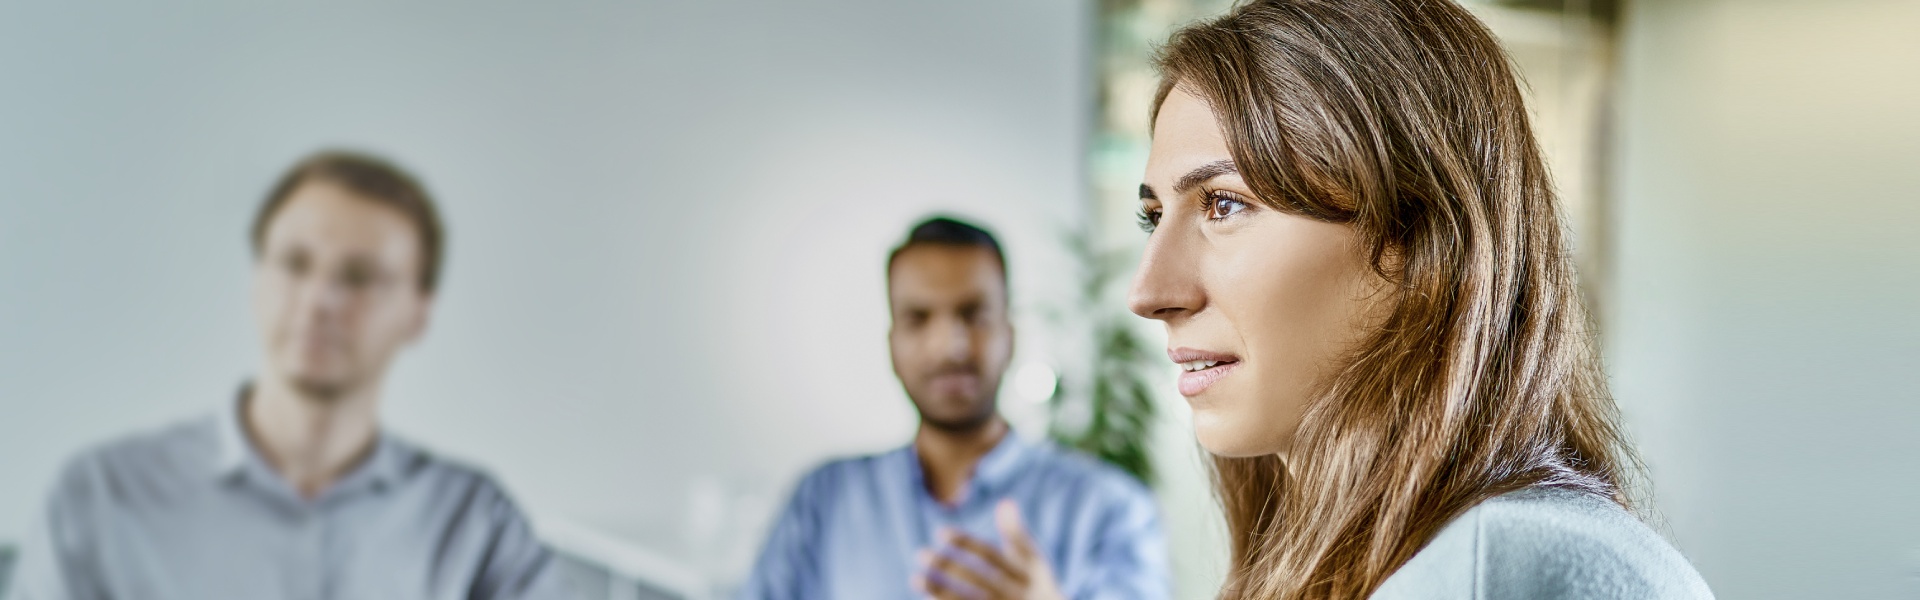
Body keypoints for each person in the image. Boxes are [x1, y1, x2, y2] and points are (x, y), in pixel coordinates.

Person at [1128, 1, 1714, 598]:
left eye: (1225, 204)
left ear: (1418, 238)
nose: (1147, 293)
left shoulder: (1502, 566)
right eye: (1153, 217)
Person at [7, 151, 568, 600]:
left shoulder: (476, 527)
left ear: (418, 313)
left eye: (360, 276)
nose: (319, 300)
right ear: (257, 280)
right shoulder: (100, 499)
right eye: (295, 264)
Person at [738, 217, 1170, 600]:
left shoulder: (1111, 509)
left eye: (973, 314)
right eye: (918, 318)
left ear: (1010, 334)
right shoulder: (824, 500)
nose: (950, 346)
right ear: (892, 346)